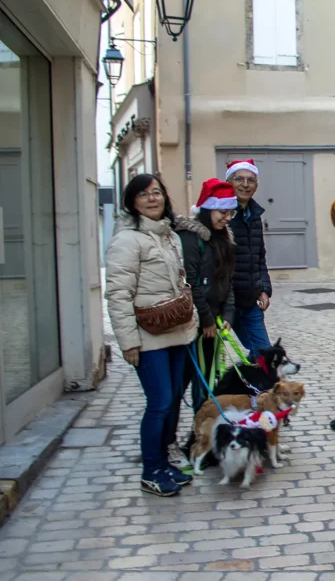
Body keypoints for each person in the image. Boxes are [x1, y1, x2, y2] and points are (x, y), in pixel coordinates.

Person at [105, 174, 198, 497]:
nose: (152, 199)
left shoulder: (168, 235)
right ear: (132, 201)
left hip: (175, 332)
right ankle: (151, 470)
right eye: (144, 194)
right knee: (158, 403)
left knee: (171, 401)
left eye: (157, 192)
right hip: (148, 337)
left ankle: (163, 464)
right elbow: (118, 295)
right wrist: (128, 341)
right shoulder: (127, 240)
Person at [174, 179, 237, 416]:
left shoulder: (224, 238)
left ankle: (203, 433)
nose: (227, 217)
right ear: (208, 209)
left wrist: (227, 314)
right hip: (194, 326)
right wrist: (207, 319)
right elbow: (191, 283)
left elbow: (227, 281)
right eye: (223, 212)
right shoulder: (191, 239)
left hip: (213, 325)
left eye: (230, 212)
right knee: (182, 384)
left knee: (208, 383)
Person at [225, 159, 273, 355]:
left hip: (250, 300)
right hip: (225, 301)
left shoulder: (254, 216)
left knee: (263, 355)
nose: (245, 184)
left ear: (256, 186)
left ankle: (257, 385)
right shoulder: (221, 214)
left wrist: (264, 289)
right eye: (239, 179)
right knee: (209, 366)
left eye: (250, 180)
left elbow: (260, 257)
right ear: (229, 182)